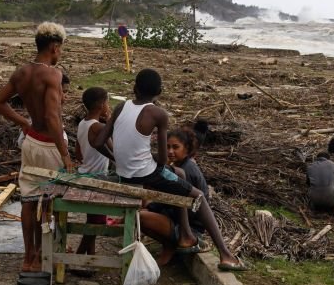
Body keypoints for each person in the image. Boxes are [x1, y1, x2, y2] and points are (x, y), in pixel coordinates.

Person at [94, 68, 246, 271]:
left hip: (123, 173)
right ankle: (226, 255)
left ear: (134, 88)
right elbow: (164, 159)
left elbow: (98, 142)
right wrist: (151, 160)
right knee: (198, 195)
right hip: (147, 173)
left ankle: (185, 234)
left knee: (180, 176)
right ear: (160, 91)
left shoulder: (121, 107)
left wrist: (118, 159)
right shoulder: (158, 113)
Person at [0, 22, 75, 273]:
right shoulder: (53, 74)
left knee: (29, 200)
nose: (59, 53)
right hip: (50, 145)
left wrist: (25, 124)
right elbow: (52, 119)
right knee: (49, 199)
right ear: (54, 47)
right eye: (59, 49)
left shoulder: (21, 73)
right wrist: (66, 154)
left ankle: (29, 257)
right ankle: (44, 253)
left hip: (31, 142)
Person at [140, 125, 211, 265]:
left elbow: (183, 207)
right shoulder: (177, 166)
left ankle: (170, 245)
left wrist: (152, 208)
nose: (170, 151)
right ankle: (168, 246)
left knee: (139, 217)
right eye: (167, 147)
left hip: (190, 228)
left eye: (175, 147)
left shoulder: (187, 171)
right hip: (176, 219)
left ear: (187, 149)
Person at [73, 87, 114, 257]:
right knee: (97, 221)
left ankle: (89, 258)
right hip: (96, 178)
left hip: (84, 173)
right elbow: (114, 149)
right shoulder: (97, 127)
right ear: (102, 105)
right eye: (107, 102)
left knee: (92, 219)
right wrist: (110, 120)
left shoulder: (83, 123)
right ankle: (78, 256)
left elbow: (77, 152)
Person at [306, 152, 334, 221]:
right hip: (330, 197)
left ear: (317, 158)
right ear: (328, 159)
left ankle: (314, 207)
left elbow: (308, 184)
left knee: (312, 197)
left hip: (314, 199)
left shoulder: (310, 166)